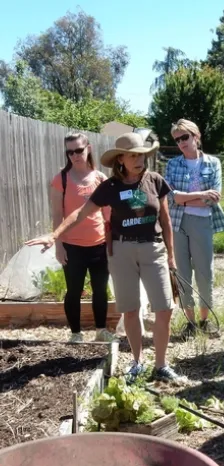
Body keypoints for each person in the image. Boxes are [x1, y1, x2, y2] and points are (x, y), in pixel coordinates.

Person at [26, 133, 181, 383]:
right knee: (131, 310)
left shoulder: (155, 181)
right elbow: (80, 213)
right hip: (122, 252)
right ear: (121, 159)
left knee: (164, 309)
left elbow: (165, 220)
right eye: (133, 155)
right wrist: (54, 236)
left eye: (142, 155)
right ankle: (137, 363)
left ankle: (161, 365)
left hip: (154, 249)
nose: (139, 160)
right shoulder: (110, 187)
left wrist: (171, 257)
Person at [165, 119, 224, 340]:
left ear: (196, 136)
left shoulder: (213, 163)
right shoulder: (173, 164)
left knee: (204, 272)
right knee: (182, 273)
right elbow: (170, 198)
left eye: (185, 137)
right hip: (177, 224)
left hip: (202, 223)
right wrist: (200, 195)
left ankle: (204, 319)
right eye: (177, 139)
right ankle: (190, 322)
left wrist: (185, 199)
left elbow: (213, 199)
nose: (181, 142)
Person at [50, 132, 115, 343]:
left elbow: (107, 215)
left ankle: (101, 330)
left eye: (78, 150)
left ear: (88, 148)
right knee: (73, 291)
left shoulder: (100, 178)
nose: (75, 155)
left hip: (99, 245)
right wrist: (58, 246)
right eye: (70, 152)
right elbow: (57, 216)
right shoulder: (61, 179)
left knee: (100, 289)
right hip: (72, 246)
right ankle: (75, 333)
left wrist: (110, 244)